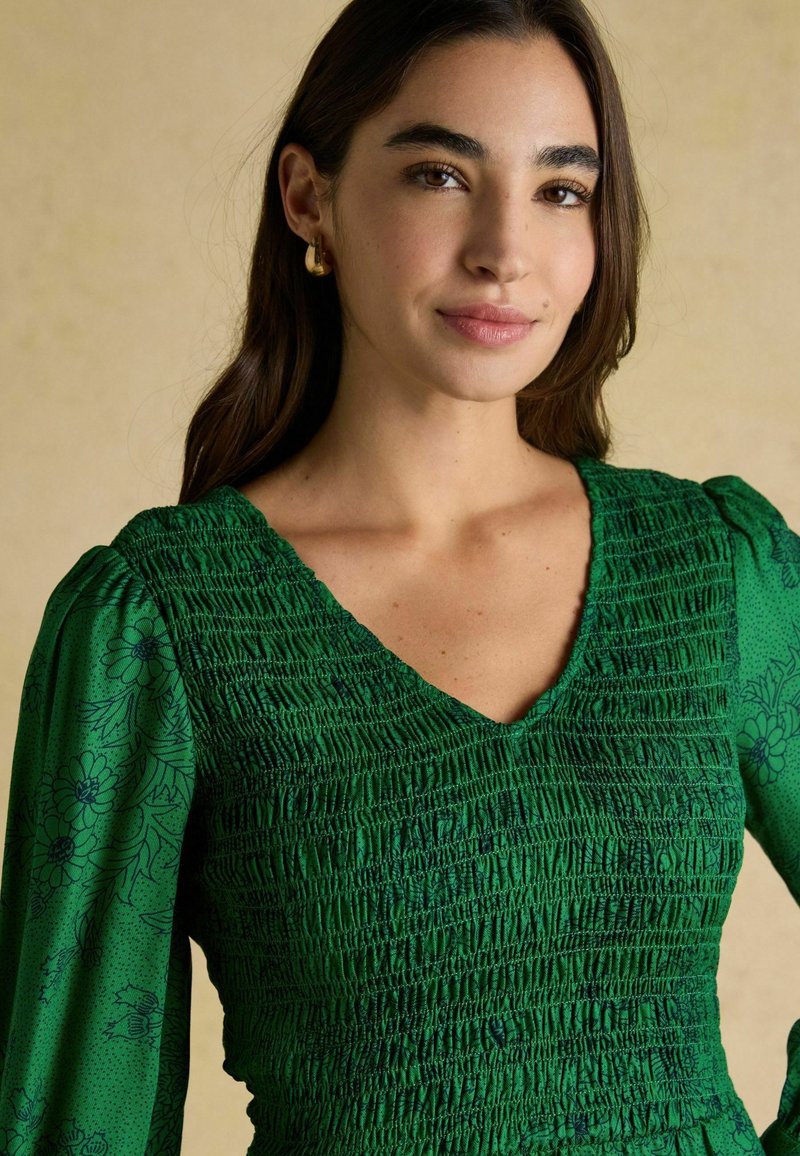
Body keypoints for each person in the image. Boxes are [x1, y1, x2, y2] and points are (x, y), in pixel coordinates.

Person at [1, 0, 798, 1152]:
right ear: (306, 197)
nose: (503, 251)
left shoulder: (712, 570)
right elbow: (78, 1113)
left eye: (559, 190)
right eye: (439, 175)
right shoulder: (163, 624)